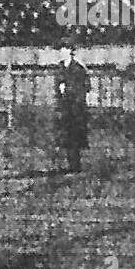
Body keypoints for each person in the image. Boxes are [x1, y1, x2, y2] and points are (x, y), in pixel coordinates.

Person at [54, 43, 90, 172]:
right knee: (65, 137)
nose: (62, 52)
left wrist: (68, 89)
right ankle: (70, 165)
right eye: (61, 49)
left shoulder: (78, 69)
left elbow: (85, 86)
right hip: (64, 107)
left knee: (75, 137)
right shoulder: (60, 68)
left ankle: (75, 166)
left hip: (76, 108)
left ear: (71, 51)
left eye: (65, 49)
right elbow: (57, 87)